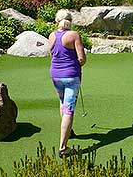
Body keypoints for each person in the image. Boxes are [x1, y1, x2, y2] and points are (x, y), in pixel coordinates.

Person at [49, 9, 86, 157]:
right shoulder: (74, 35)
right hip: (70, 76)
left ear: (57, 20)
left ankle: (69, 131)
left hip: (55, 75)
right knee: (69, 109)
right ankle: (63, 148)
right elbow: (82, 59)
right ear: (70, 20)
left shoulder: (51, 35)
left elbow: (52, 54)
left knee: (62, 102)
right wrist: (78, 63)